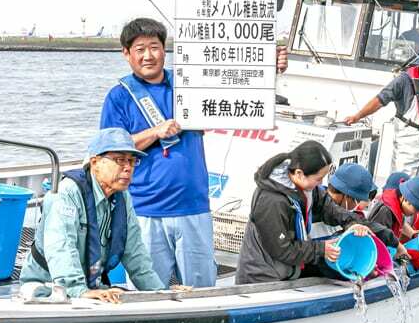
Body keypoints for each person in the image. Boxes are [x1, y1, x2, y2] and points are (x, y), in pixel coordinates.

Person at [100, 18, 290, 288]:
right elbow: (111, 149)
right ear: (126, 53)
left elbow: (238, 91)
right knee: (146, 293)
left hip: (194, 206)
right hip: (144, 210)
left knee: (202, 289)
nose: (148, 55)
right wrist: (155, 132)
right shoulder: (119, 97)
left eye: (154, 47)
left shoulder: (190, 83)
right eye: (140, 49)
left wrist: (268, 68)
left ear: (165, 50)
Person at [20, 128, 170, 304]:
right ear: (95, 162)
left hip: (91, 286)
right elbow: (61, 247)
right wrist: (79, 290)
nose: (128, 168)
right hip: (47, 286)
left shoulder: (122, 197)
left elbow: (135, 253)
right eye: (120, 160)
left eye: (132, 161)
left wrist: (160, 293)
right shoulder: (67, 193)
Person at [235, 141, 379, 284]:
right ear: (299, 174)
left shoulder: (308, 188)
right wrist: (321, 249)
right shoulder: (271, 201)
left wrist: (352, 223)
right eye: (319, 179)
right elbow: (282, 250)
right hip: (261, 278)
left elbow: (331, 209)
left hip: (288, 272)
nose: (321, 183)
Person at [343, 46, 419, 179]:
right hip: (408, 139)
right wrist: (357, 116)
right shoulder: (403, 80)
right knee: (402, 180)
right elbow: (379, 100)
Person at [368, 175, 419, 255]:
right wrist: (401, 252)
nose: (416, 213)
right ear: (406, 199)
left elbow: (401, 221)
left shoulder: (397, 204)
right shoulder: (386, 211)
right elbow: (379, 239)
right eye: (416, 209)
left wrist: (414, 235)